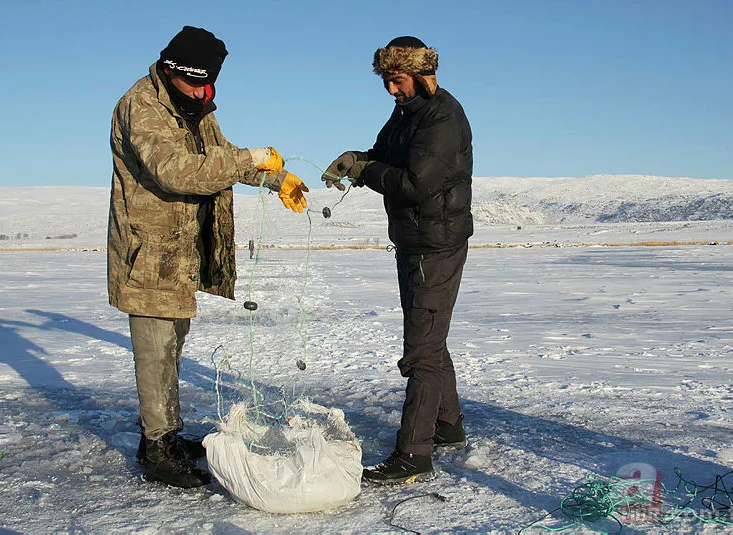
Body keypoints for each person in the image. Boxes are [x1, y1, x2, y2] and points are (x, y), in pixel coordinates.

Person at [108, 26, 308, 489]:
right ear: (172, 70)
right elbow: (178, 170)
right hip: (149, 251)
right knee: (155, 351)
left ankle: (165, 435)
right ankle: (158, 449)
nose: (203, 92)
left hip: (181, 252)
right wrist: (250, 158)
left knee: (172, 347)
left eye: (209, 84)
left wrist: (275, 180)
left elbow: (218, 157)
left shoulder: (194, 106)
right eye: (195, 82)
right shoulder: (142, 105)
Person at [323, 36, 472, 485]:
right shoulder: (407, 112)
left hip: (436, 245)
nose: (390, 89)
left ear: (423, 74)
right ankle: (446, 426)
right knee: (429, 336)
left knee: (421, 350)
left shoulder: (443, 116)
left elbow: (413, 184)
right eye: (386, 80)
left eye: (397, 79)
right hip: (414, 240)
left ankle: (414, 453)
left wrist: (364, 172)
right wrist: (356, 159)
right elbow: (384, 156)